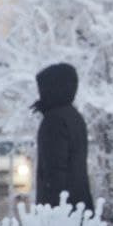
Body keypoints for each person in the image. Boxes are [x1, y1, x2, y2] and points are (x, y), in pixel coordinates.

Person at [32, 62, 93, 208]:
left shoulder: (54, 121)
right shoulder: (74, 117)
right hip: (79, 203)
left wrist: (49, 207)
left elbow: (54, 171)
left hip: (61, 209)